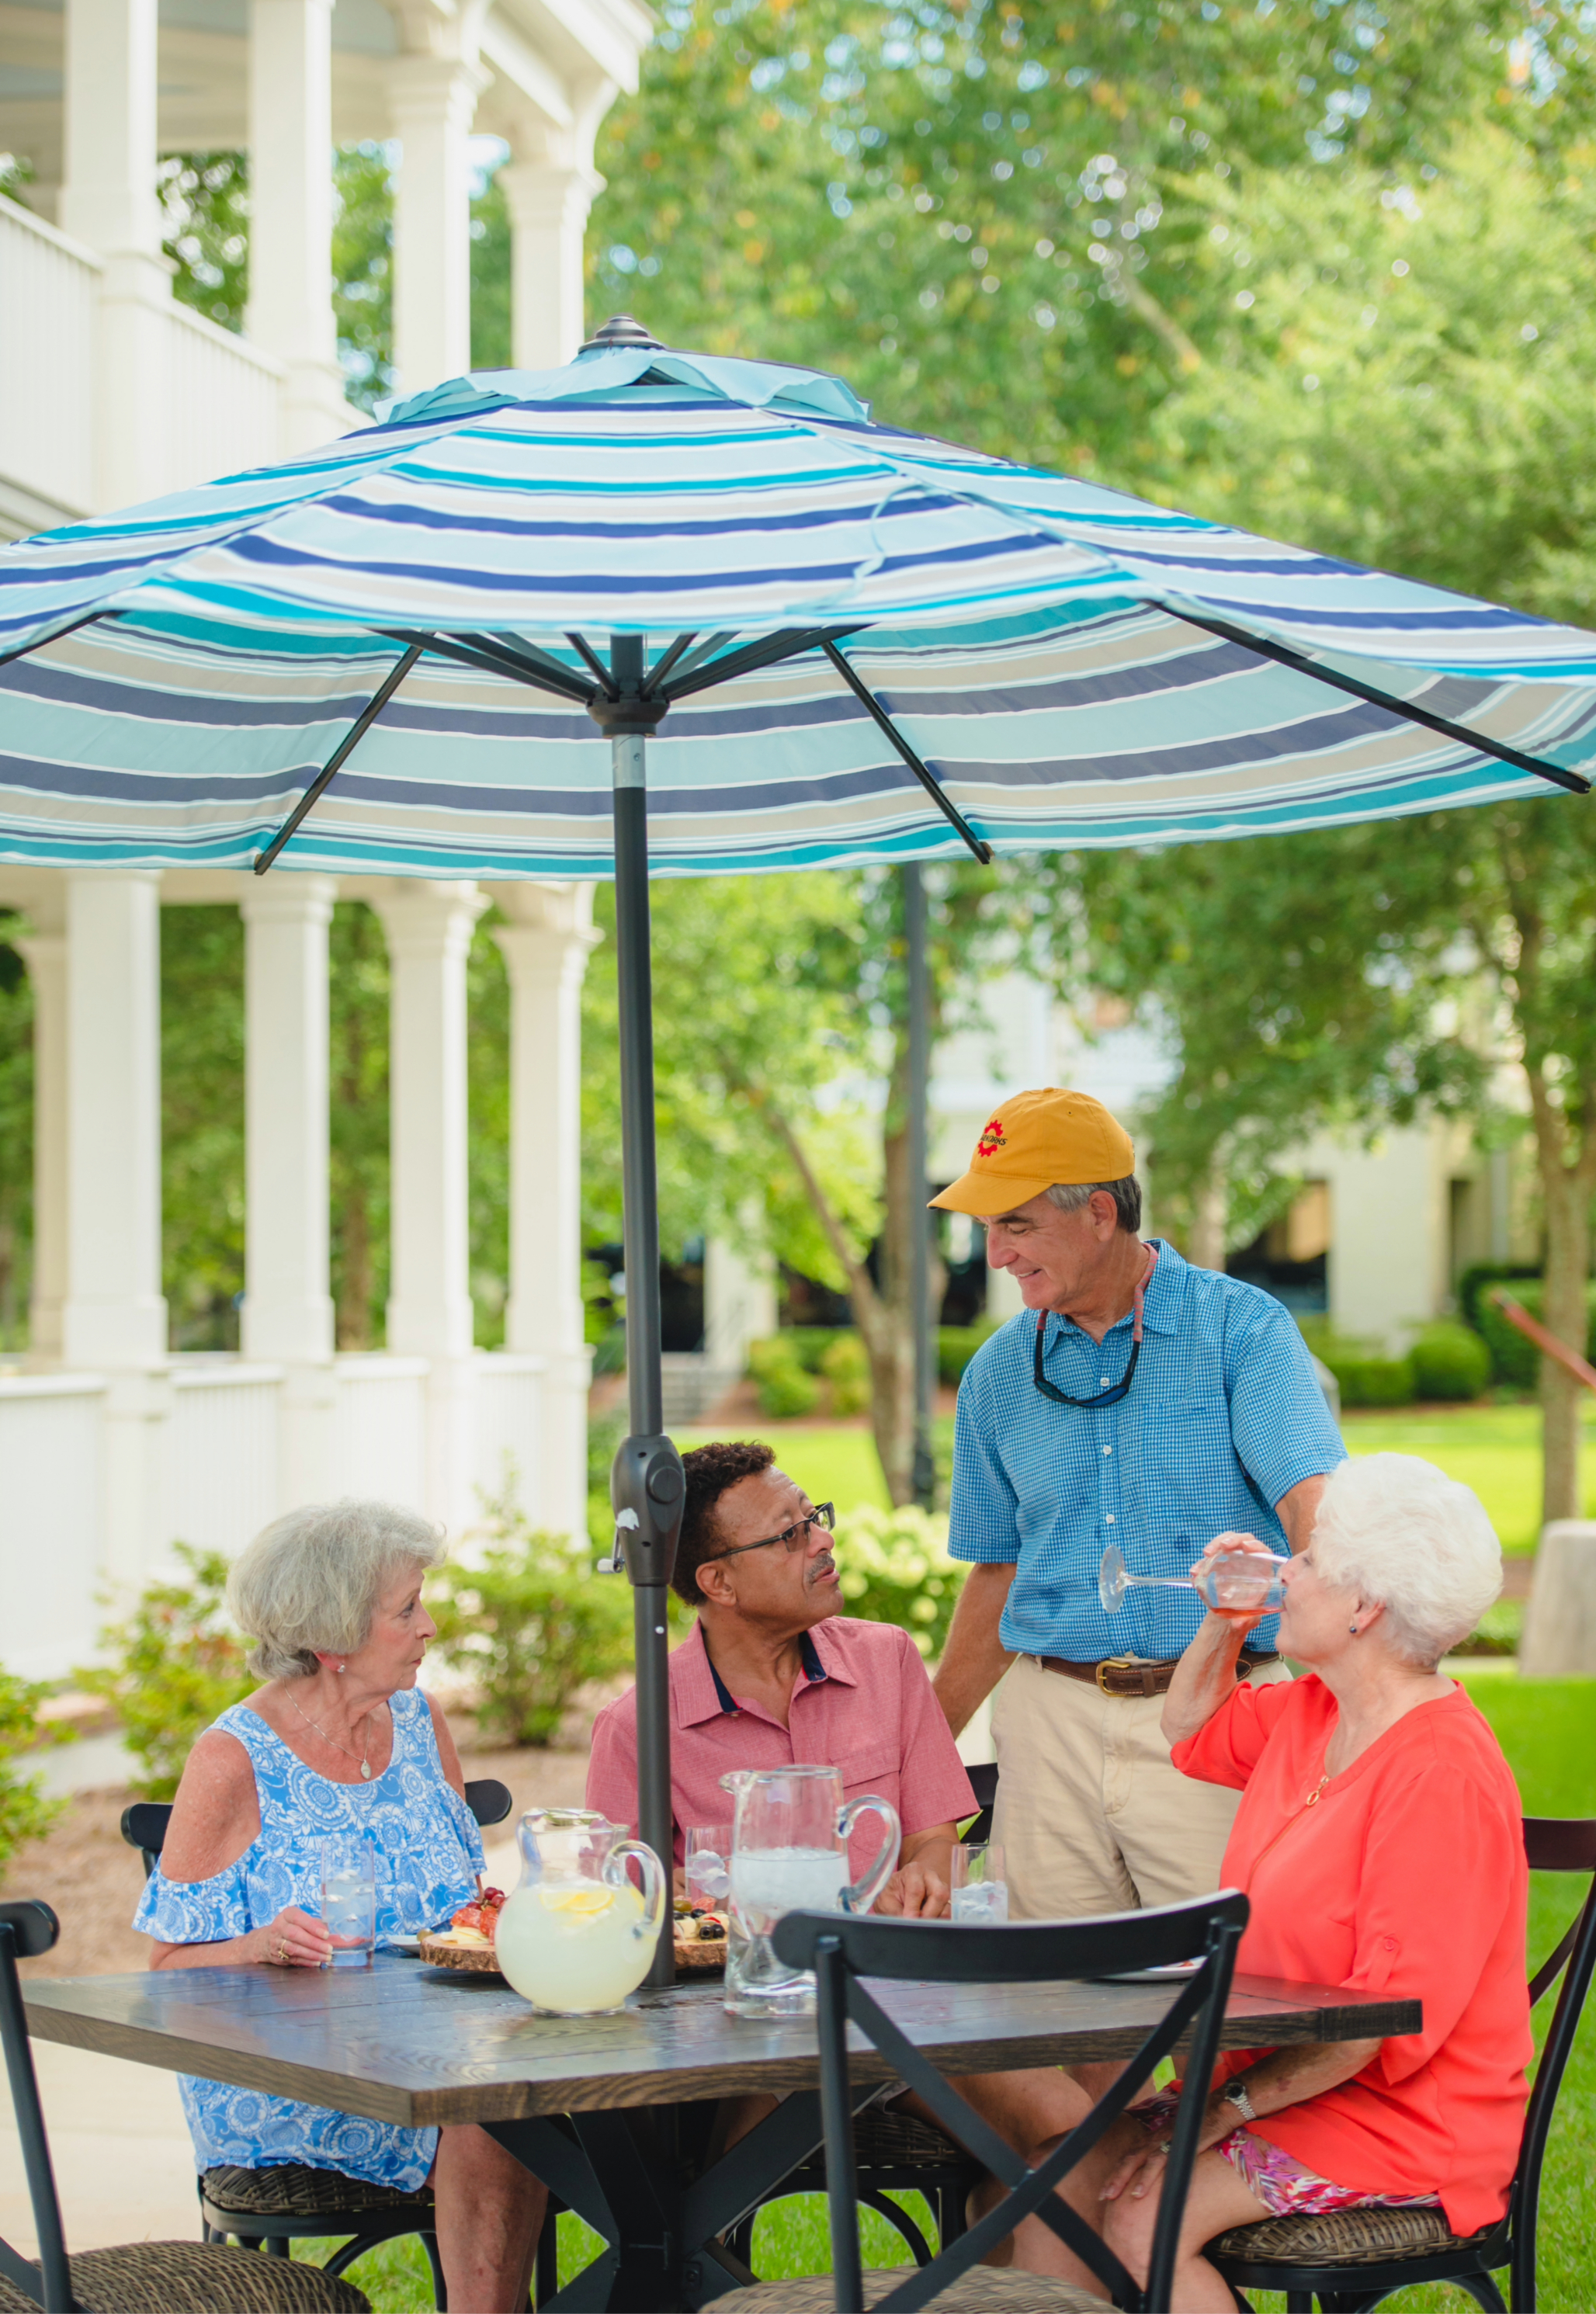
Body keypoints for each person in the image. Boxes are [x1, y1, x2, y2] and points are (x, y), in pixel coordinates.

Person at [1013, 1452, 1532, 2311]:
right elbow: (1187, 1724)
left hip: (1398, 2114)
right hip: (1272, 2080)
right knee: (1052, 2176)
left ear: (1365, 1608)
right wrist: (1225, 1618)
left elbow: (1374, 2026)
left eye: (1311, 1560)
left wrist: (1223, 2112)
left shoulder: (1439, 1770)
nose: (1285, 1567)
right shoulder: (1316, 1711)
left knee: (1145, 2211)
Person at [929, 1088, 1346, 1927]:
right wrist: (926, 1765)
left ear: (1095, 1212)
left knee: (1231, 2012)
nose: (995, 1253)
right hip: (1048, 1726)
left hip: (1214, 1713)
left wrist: (1357, 1689)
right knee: (1044, 2016)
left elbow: (1314, 1510)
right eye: (986, 1227)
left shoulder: (1243, 1332)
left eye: (1014, 1223)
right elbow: (998, 1573)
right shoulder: (997, 1373)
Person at [134, 1500, 544, 2314]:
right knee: (497, 2119)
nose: (429, 1625)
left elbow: (469, 1907)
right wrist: (258, 1942)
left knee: (594, 2102)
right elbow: (164, 1968)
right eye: (406, 1608)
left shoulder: (421, 1722)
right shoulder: (233, 1756)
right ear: (330, 1638)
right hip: (293, 2073)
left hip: (444, 2047)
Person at [586, 1439, 977, 1913]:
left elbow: (934, 1842)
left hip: (890, 1969)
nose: (824, 1540)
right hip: (736, 1980)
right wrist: (673, 1895)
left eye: (814, 1518)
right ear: (719, 1583)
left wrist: (921, 1881)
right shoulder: (636, 1728)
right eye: (790, 1535)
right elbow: (614, 1901)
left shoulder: (887, 1660)